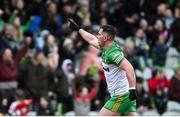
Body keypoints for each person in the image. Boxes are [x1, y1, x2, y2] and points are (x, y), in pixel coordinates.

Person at [67, 18, 137, 116]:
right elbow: (91, 39)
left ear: (106, 38)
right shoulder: (106, 47)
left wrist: (132, 89)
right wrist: (78, 29)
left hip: (121, 96)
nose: (97, 36)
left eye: (99, 34)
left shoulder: (113, 54)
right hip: (124, 95)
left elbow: (129, 68)